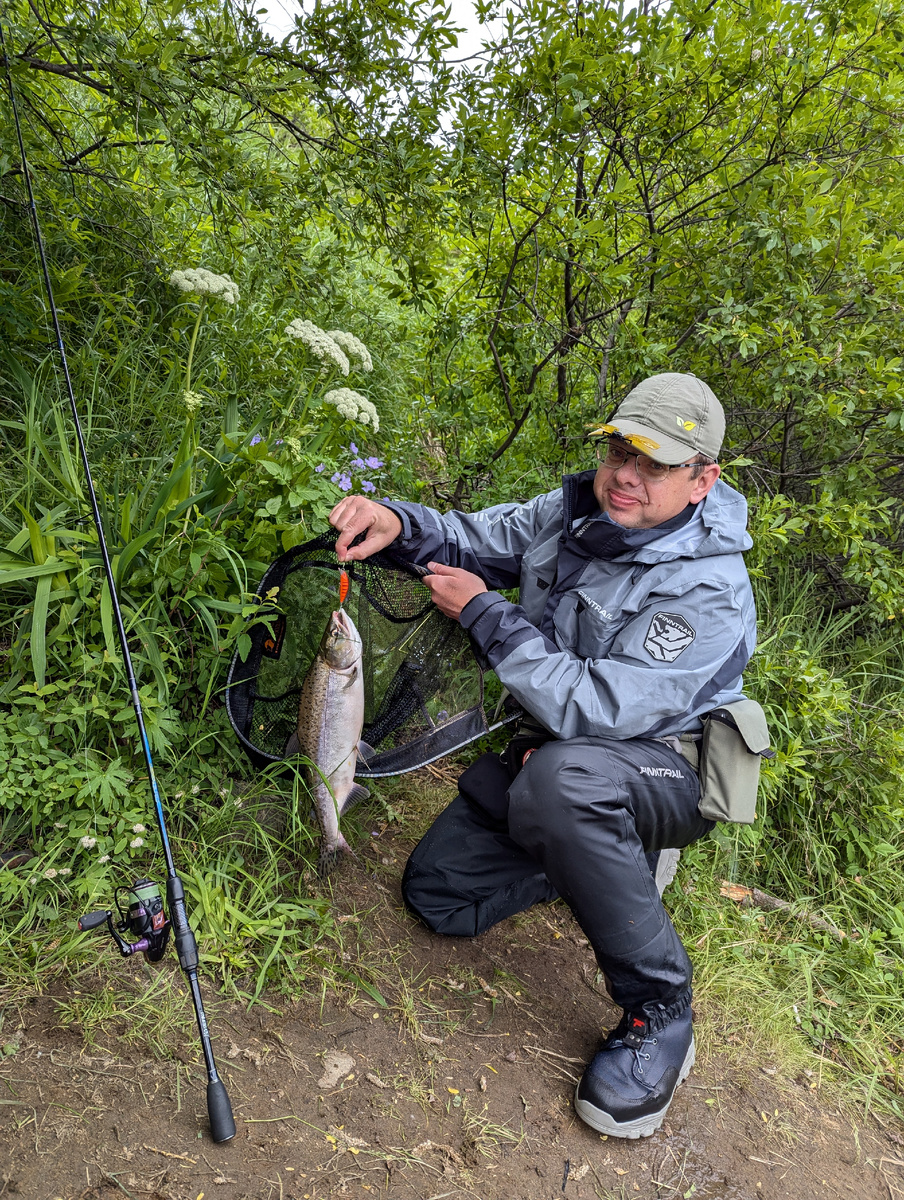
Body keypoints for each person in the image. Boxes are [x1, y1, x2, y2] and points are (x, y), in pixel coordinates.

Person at [329, 372, 758, 1139]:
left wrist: (491, 618)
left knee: (565, 784)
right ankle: (586, 857)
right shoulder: (573, 513)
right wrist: (394, 520)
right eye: (620, 451)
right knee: (439, 896)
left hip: (664, 769)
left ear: (703, 481)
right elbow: (474, 538)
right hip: (563, 755)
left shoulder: (710, 592)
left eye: (656, 464)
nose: (627, 475)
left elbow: (598, 707)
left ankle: (660, 1009)